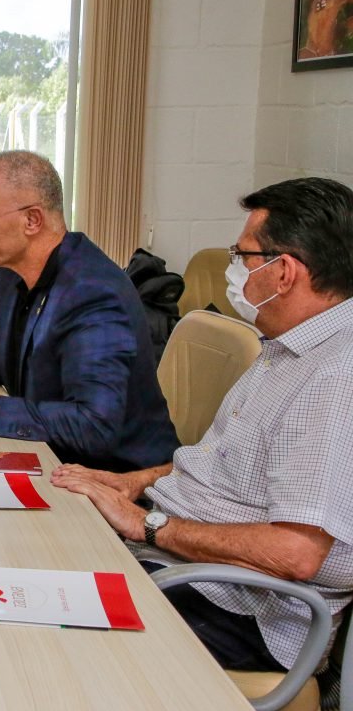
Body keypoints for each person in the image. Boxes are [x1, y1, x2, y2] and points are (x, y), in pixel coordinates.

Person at [53, 177, 353, 677]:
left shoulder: (335, 377)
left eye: (244, 256)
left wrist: (147, 524)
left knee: (41, 625)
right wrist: (134, 483)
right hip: (185, 560)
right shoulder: (286, 347)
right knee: (35, 550)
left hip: (241, 610)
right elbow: (224, 462)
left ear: (284, 272)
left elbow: (297, 554)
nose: (235, 270)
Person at [0, 150, 177, 471]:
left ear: (32, 220)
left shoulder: (93, 293)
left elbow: (94, 427)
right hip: (48, 454)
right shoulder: (12, 270)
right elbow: (2, 354)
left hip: (112, 475)